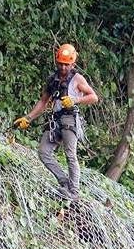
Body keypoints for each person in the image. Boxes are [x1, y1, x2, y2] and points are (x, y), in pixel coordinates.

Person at [13, 43, 98, 200]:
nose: (63, 68)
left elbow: (93, 97)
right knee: (44, 152)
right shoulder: (53, 79)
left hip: (69, 118)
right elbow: (43, 101)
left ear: (73, 64)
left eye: (67, 64)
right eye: (61, 64)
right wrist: (28, 118)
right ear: (56, 61)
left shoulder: (78, 79)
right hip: (55, 119)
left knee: (70, 154)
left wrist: (75, 100)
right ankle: (64, 182)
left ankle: (74, 191)